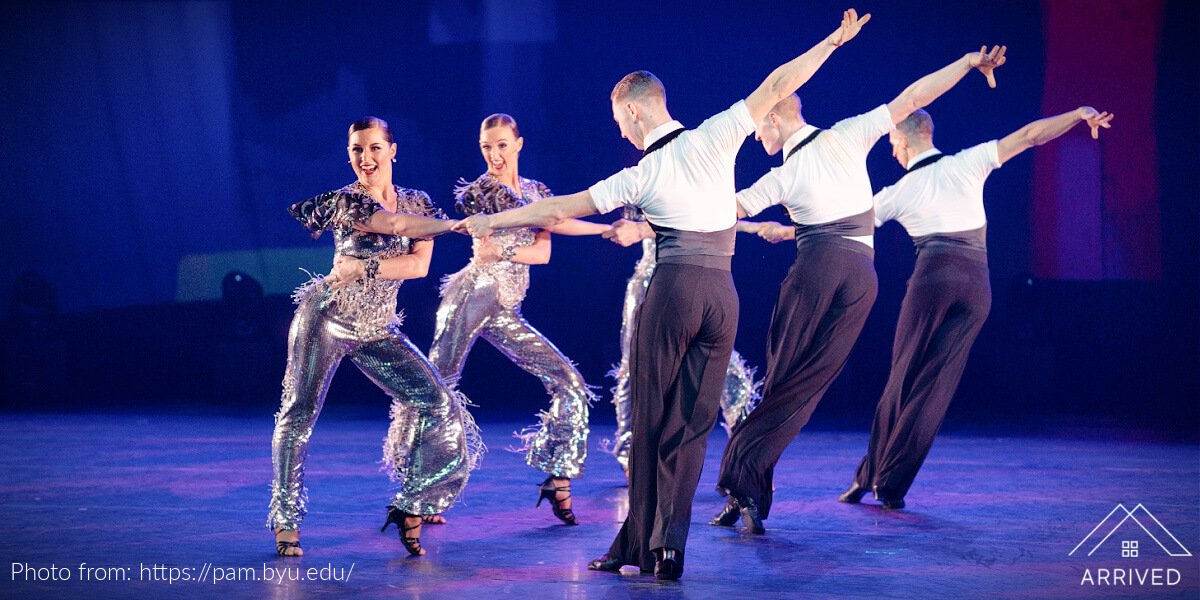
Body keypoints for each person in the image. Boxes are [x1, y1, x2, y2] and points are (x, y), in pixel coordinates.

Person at [455, 8, 872, 580]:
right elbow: (779, 85)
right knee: (692, 425)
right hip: (723, 297)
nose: (619, 131)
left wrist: (493, 224)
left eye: (618, 120)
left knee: (650, 420)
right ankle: (668, 548)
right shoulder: (717, 133)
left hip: (674, 290)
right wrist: (835, 41)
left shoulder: (638, 175)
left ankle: (637, 546)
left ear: (632, 109)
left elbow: (556, 209)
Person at [712, 46, 1008, 535]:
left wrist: (650, 224)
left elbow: (726, 211)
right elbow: (914, 97)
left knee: (786, 380)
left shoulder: (782, 174)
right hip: (861, 275)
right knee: (807, 385)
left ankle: (742, 481)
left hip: (819, 271)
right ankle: (749, 492)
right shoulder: (849, 133)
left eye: (758, 126)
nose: (755, 134)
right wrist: (966, 64)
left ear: (772, 119)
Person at [838, 106, 1113, 510]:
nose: (892, 151)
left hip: (934, 279)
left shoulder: (898, 192)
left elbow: (843, 225)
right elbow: (1030, 135)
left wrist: (780, 230)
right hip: (977, 286)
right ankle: (891, 485)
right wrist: (1076, 114)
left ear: (904, 138)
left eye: (893, 142)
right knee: (936, 385)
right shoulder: (968, 162)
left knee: (903, 378)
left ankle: (868, 476)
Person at [268, 116, 481, 558]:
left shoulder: (418, 201)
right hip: (327, 316)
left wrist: (364, 267)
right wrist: (455, 227)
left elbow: (418, 266)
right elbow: (399, 228)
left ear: (393, 150)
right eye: (356, 151)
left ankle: (413, 503)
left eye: (374, 149)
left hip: (376, 328)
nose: (365, 159)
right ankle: (286, 519)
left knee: (436, 401)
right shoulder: (348, 202)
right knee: (298, 413)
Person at [430, 113, 609, 526]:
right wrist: (502, 252)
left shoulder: (535, 193)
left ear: (519, 144)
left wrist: (603, 230)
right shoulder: (479, 193)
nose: (494, 154)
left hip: (505, 308)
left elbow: (544, 249)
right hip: (471, 299)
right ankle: (422, 492)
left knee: (570, 383)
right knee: (437, 390)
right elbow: (491, 252)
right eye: (486, 147)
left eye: (501, 145)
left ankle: (558, 477)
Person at [602, 208, 761, 481]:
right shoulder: (649, 177)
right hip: (652, 283)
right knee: (635, 367)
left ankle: (745, 460)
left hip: (697, 279)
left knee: (729, 370)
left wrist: (756, 228)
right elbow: (682, 219)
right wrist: (638, 230)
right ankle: (631, 454)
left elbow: (711, 218)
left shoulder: (705, 178)